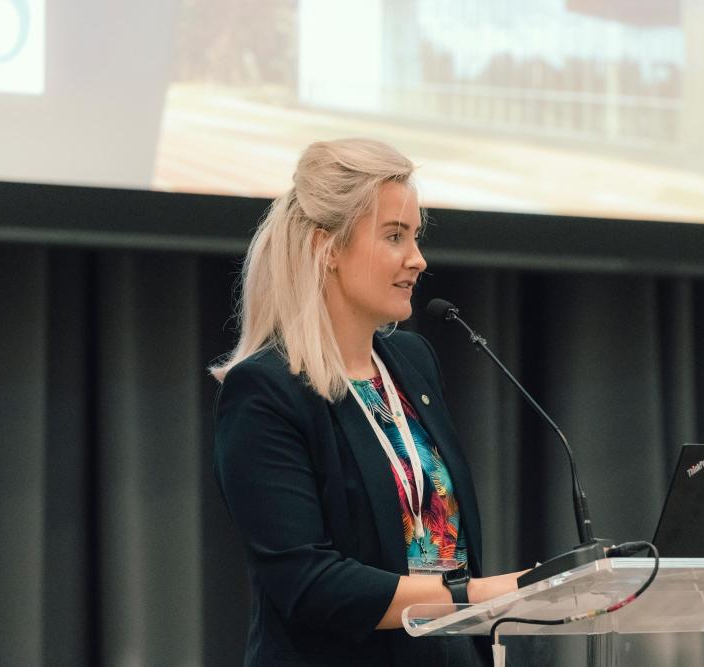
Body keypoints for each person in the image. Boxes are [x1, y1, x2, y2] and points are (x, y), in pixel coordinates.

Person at [211, 138, 524, 666]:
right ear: (327, 248)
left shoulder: (413, 361)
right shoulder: (265, 391)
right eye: (394, 236)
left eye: (415, 236)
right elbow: (307, 582)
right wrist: (476, 596)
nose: (418, 260)